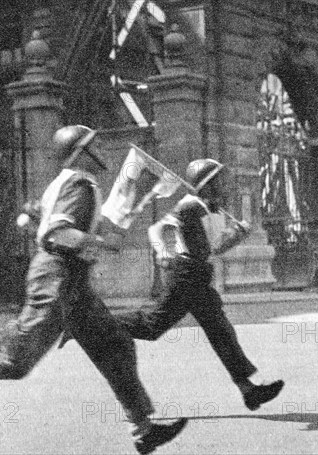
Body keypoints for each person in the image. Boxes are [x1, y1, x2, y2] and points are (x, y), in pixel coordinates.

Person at [0, 125, 187, 455]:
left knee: (115, 343)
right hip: (56, 280)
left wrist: (60, 224)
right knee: (14, 360)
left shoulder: (68, 184)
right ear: (80, 152)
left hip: (71, 282)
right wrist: (96, 241)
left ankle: (144, 429)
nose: (100, 153)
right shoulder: (78, 184)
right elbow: (57, 233)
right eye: (92, 147)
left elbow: (40, 219)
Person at [116, 159, 284, 411]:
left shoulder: (207, 208)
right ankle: (93, 322)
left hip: (197, 276)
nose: (223, 186)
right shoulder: (190, 207)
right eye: (217, 181)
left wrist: (236, 236)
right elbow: (160, 231)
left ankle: (249, 390)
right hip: (185, 276)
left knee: (221, 332)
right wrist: (163, 251)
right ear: (206, 185)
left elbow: (212, 248)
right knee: (153, 326)